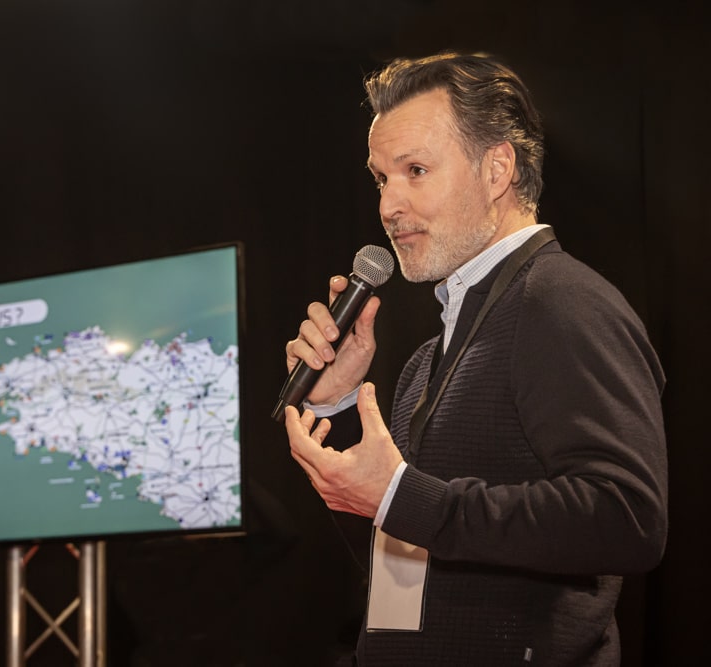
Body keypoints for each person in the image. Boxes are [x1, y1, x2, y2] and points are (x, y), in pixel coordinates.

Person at [281, 52, 668, 665]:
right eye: (381, 179)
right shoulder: (426, 361)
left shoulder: (561, 301)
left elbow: (627, 518)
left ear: (497, 170)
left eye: (415, 170)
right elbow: (405, 563)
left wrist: (402, 495)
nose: (388, 206)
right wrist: (339, 403)